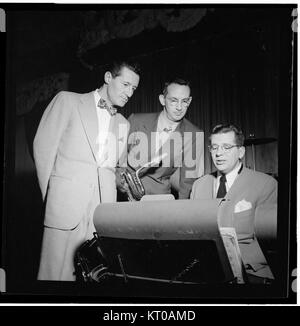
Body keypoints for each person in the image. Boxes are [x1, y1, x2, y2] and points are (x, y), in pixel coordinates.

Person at [33, 61, 141, 281]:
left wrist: (128, 183)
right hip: (64, 206)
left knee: (92, 280)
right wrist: (53, 199)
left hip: (99, 216)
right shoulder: (67, 101)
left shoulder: (123, 123)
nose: (129, 92)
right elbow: (43, 150)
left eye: (134, 88)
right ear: (108, 77)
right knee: (54, 277)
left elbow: (113, 168)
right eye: (126, 84)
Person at [190, 124, 277, 282]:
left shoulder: (266, 184)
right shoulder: (199, 185)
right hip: (205, 272)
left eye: (226, 147)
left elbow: (271, 243)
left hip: (251, 275)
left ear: (241, 152)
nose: (219, 153)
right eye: (214, 147)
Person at [118, 78, 204, 200]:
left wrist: (182, 214)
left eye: (184, 101)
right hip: (123, 197)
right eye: (174, 101)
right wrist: (123, 187)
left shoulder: (194, 134)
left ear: (189, 101)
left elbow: (187, 184)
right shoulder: (135, 120)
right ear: (162, 100)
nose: (179, 107)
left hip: (159, 202)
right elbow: (117, 160)